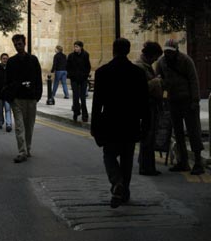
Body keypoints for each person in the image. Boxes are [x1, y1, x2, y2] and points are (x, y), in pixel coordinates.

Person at [91, 38, 149, 208]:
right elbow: (144, 102)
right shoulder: (138, 73)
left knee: (109, 155)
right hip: (130, 122)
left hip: (110, 121)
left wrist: (95, 126)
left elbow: (97, 103)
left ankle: (117, 182)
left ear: (113, 50)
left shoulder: (102, 72)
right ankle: (124, 191)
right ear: (128, 50)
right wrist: (146, 124)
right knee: (127, 158)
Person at [156, 39, 205, 175]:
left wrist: (195, 100)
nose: (167, 54)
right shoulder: (161, 62)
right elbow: (158, 79)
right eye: (166, 51)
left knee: (194, 131)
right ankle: (183, 161)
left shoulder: (186, 60)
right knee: (178, 133)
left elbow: (193, 80)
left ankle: (198, 162)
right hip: (172, 101)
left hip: (188, 101)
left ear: (176, 51)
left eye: (170, 52)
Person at [4, 33, 43, 163]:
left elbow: (38, 78)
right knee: (20, 126)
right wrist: (12, 96)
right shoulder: (11, 61)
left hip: (31, 98)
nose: (17, 46)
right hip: (17, 98)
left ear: (24, 43)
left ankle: (28, 147)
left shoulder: (33, 60)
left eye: (19, 44)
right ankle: (22, 151)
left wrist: (37, 95)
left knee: (29, 125)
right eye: (15, 44)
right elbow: (8, 80)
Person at [135, 41, 163, 175]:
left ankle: (146, 165)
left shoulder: (146, 66)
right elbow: (141, 88)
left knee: (149, 137)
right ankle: (146, 167)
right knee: (148, 137)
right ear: (151, 55)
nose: (156, 60)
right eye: (156, 57)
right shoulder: (141, 67)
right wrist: (156, 81)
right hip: (146, 107)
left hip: (150, 106)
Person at [67, 41, 91, 122]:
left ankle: (85, 115)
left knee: (83, 97)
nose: (75, 48)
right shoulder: (71, 56)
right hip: (74, 79)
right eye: (74, 47)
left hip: (83, 79)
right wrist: (71, 75)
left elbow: (88, 66)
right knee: (75, 97)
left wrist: (85, 74)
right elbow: (68, 66)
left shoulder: (85, 54)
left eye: (77, 47)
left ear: (81, 47)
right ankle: (76, 112)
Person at [0, 53, 12, 132]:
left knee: (8, 109)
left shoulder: (11, 68)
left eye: (7, 59)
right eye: (4, 58)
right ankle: (0, 122)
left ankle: (8, 124)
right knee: (0, 108)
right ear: (1, 59)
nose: (5, 60)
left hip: (7, 92)